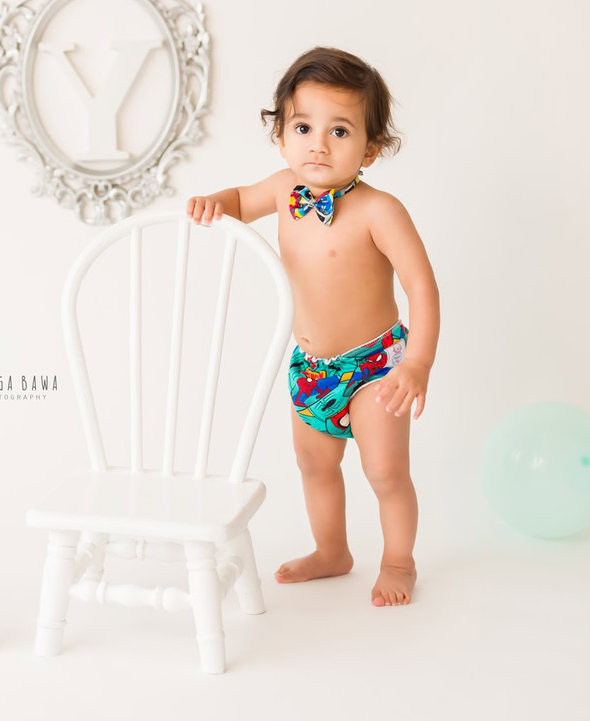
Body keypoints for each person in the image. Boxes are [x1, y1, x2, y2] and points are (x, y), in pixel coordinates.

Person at [185, 46, 440, 607]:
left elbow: (422, 287)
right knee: (313, 462)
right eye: (303, 126)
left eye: (341, 131)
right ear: (281, 135)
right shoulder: (281, 190)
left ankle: (399, 559)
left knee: (384, 470)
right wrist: (214, 204)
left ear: (371, 147)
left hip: (377, 364)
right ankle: (333, 551)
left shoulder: (380, 210)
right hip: (312, 366)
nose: (318, 144)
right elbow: (238, 200)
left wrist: (417, 362)